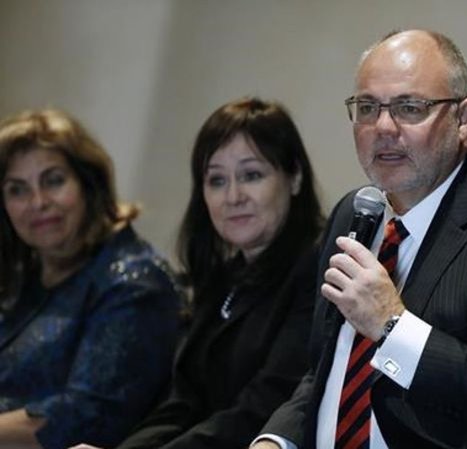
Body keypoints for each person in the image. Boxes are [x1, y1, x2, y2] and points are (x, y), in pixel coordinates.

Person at [253, 29, 467, 449]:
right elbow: (331, 367)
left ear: (464, 119)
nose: (383, 127)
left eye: (410, 107)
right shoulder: (354, 213)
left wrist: (392, 325)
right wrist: (277, 439)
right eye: (367, 107)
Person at [72, 98, 324, 449]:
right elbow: (182, 405)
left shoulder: (319, 267)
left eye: (252, 175)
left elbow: (263, 406)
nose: (233, 196)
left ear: (294, 177)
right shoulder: (224, 276)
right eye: (217, 180)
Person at [0, 108, 183, 448]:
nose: (38, 202)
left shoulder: (135, 282)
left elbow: (88, 415)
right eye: (17, 189)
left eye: (54, 181)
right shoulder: (22, 274)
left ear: (87, 183)